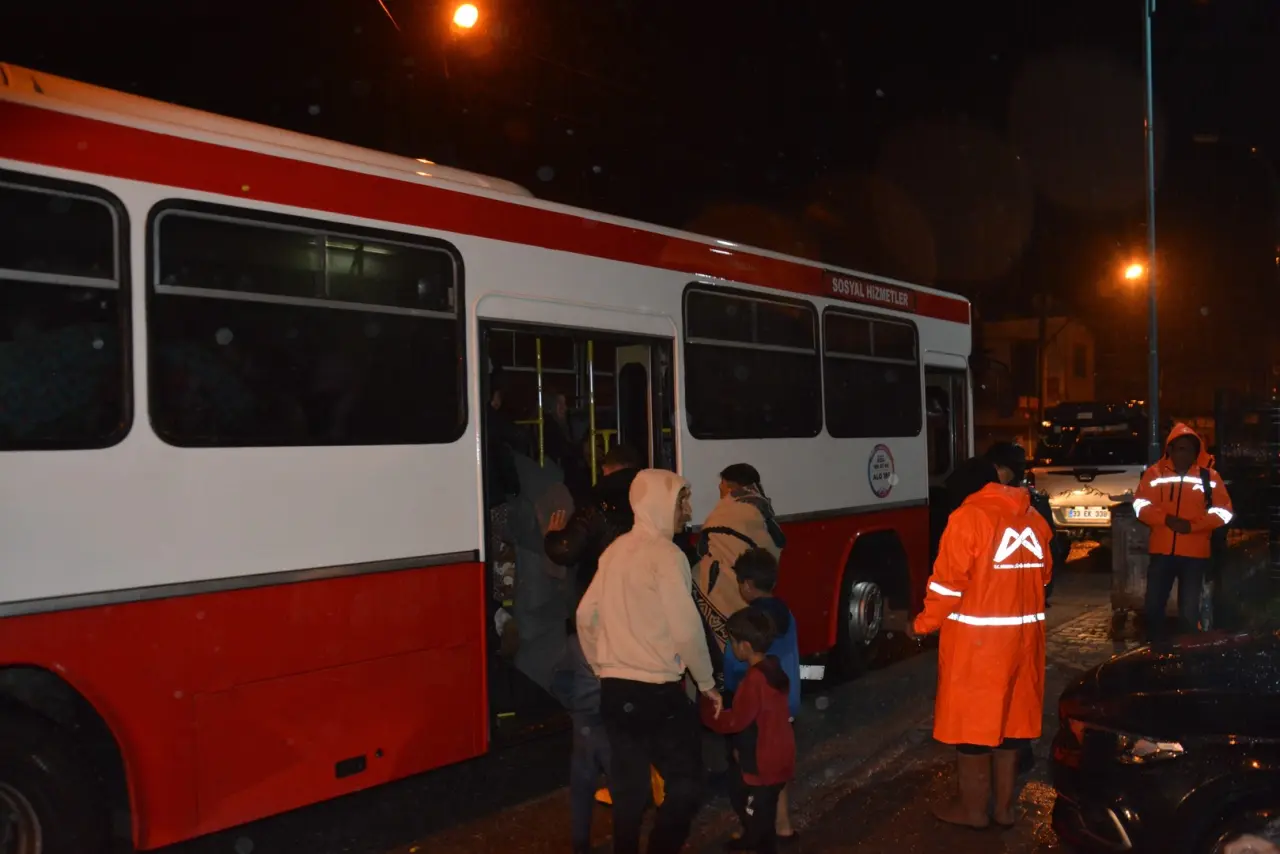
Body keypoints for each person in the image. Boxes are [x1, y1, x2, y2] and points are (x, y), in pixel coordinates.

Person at [577, 469, 721, 854]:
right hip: (657, 692)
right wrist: (706, 682)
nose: (688, 509)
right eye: (681, 501)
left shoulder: (614, 551)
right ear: (659, 503)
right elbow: (686, 629)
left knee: (629, 788)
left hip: (615, 691)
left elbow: (585, 615)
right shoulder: (667, 555)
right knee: (687, 782)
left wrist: (602, 666)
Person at [908, 456, 1054, 829]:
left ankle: (972, 811)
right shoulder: (1032, 519)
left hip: (980, 646)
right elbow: (1045, 575)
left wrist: (922, 624)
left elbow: (947, 585)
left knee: (973, 727)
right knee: (1011, 726)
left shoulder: (968, 517)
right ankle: (1004, 810)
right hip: (1025, 643)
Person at [701, 609, 797, 854]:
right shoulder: (773, 668)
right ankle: (754, 837)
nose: (731, 647)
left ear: (744, 646)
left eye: (732, 642)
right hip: (778, 754)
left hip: (762, 762)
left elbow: (736, 721)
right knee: (754, 803)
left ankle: (758, 842)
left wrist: (709, 715)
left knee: (756, 814)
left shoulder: (754, 682)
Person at [721, 547, 800, 841]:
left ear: (747, 585)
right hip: (785, 701)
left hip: (755, 708)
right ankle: (783, 825)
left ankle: (753, 829)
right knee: (777, 768)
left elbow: (733, 667)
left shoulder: (747, 624)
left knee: (749, 769)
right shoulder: (787, 615)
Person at [1132, 423, 1233, 642]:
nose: (1184, 454)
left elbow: (1224, 512)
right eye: (1180, 449)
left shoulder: (1210, 477)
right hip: (1161, 552)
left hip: (1195, 555)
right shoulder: (1154, 473)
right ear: (1169, 450)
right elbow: (1140, 505)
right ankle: (1155, 649)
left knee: (1189, 612)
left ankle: (1187, 654)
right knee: (1153, 607)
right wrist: (1165, 519)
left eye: (1189, 450)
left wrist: (1193, 526)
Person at [693, 463, 787, 678]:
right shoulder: (761, 509)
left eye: (721, 485)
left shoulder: (726, 513)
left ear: (730, 486)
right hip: (755, 595)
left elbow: (707, 551)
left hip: (727, 593)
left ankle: (729, 678)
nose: (719, 490)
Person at [546, 444, 643, 609]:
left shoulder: (596, 500)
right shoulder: (649, 496)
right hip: (642, 589)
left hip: (603, 592)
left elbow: (567, 550)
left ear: (605, 468)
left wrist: (552, 537)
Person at [984, 443, 1069, 607]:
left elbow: (1050, 553)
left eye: (996, 468)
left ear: (1007, 471)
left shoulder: (1032, 505)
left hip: (1006, 603)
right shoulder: (1033, 504)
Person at [550, 634, 611, 854]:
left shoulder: (576, 642)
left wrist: (574, 706)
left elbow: (559, 681)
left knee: (582, 787)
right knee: (624, 788)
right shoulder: (621, 636)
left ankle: (581, 845)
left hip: (584, 719)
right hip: (611, 721)